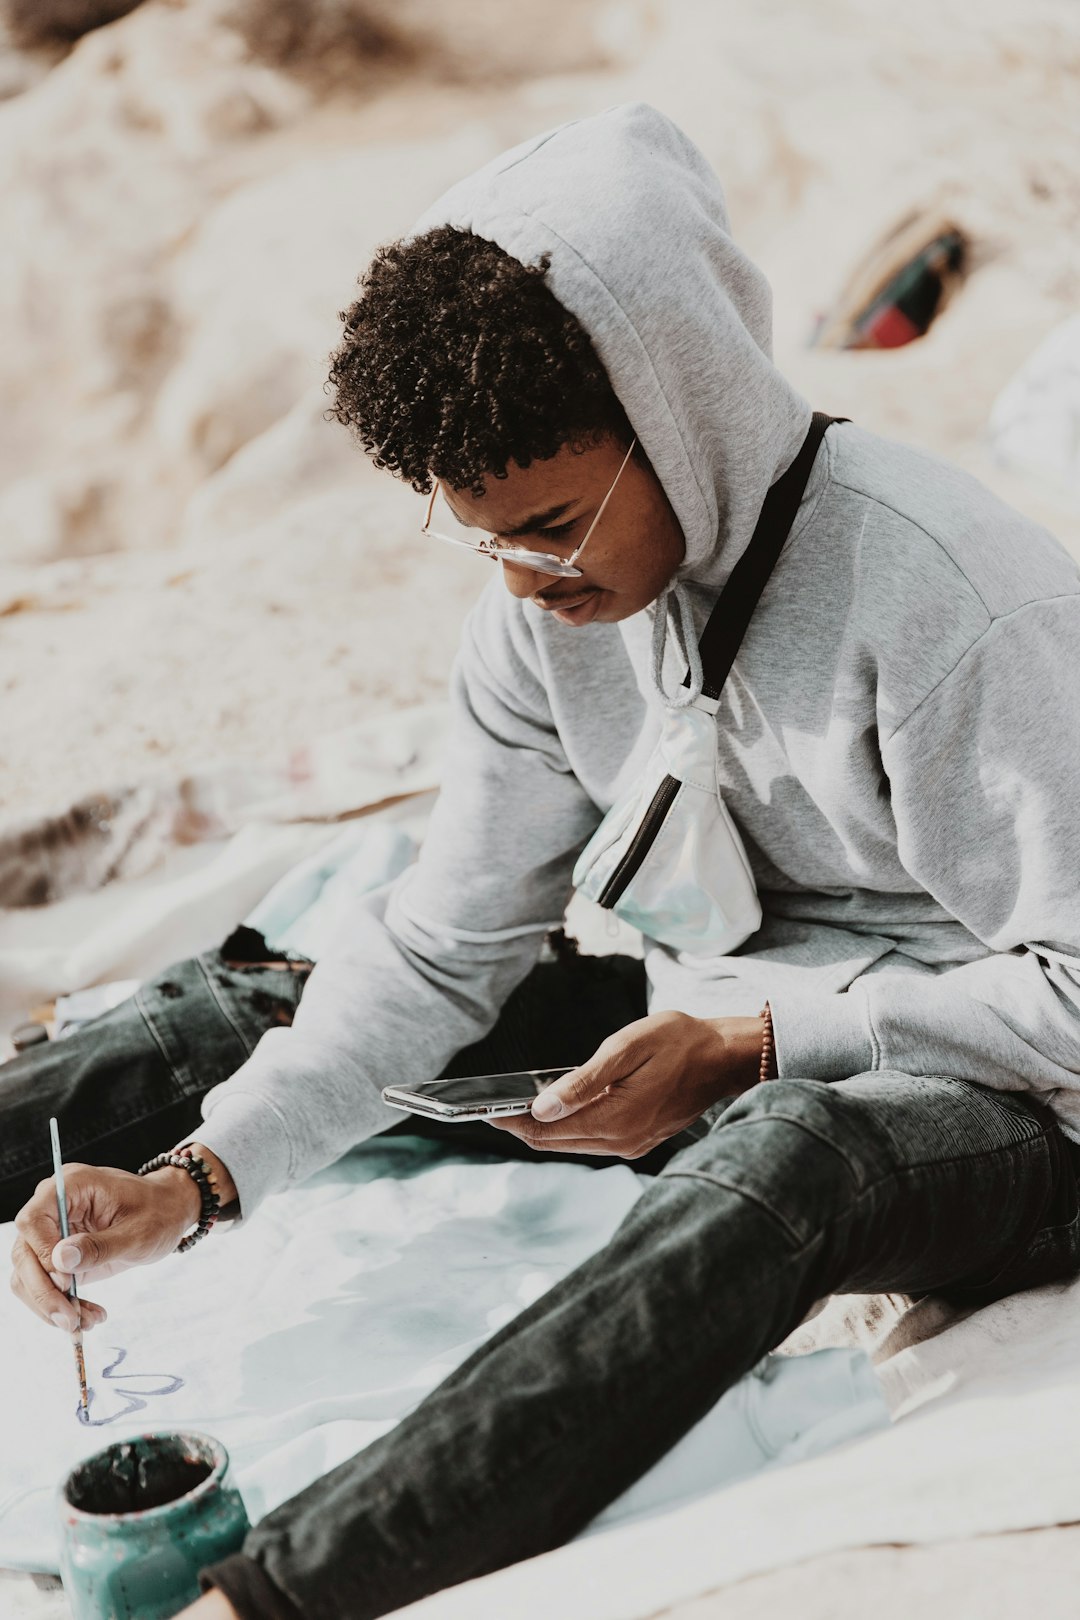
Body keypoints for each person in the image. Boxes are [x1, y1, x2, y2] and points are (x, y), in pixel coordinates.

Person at [10, 103, 1080, 1619]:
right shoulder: (537, 623)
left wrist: (761, 1043)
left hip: (1012, 1097)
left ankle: (269, 1594)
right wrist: (201, 1177)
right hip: (713, 1010)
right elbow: (448, 942)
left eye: (556, 526)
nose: (526, 578)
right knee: (270, 1006)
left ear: (689, 408)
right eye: (482, 537)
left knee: (784, 1162)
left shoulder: (957, 605)